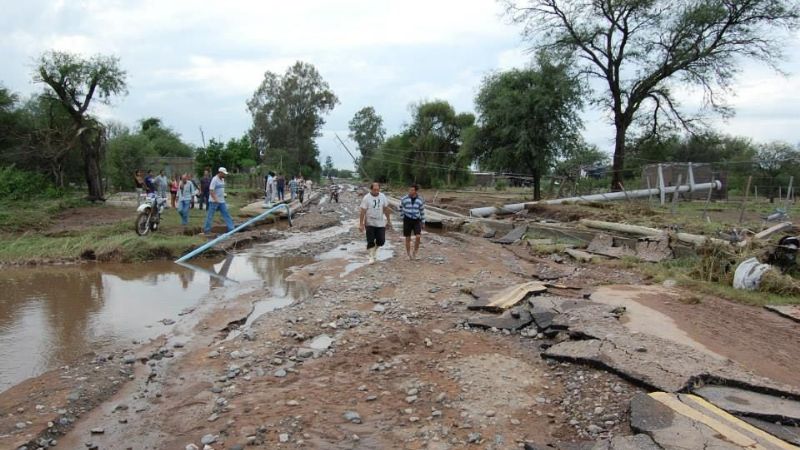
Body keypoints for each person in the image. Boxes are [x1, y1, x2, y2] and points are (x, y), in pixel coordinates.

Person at [359, 182, 393, 264]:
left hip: (380, 222)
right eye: (374, 190)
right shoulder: (366, 198)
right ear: (371, 189)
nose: (376, 191)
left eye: (378, 190)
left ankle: (374, 251)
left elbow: (386, 209)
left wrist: (389, 221)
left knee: (381, 241)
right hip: (369, 222)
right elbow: (362, 211)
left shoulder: (382, 196)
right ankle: (371, 257)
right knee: (370, 240)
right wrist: (361, 224)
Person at [203, 167, 235, 235]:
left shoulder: (222, 179)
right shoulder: (214, 179)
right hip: (213, 201)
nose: (225, 175)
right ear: (220, 173)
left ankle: (231, 229)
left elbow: (221, 189)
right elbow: (211, 191)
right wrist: (215, 199)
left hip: (222, 201)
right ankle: (207, 230)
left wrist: (224, 195)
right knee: (210, 216)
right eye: (224, 174)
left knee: (226, 214)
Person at [399, 183, 426, 260]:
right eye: (409, 190)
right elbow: (400, 207)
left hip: (416, 220)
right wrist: (402, 216)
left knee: (418, 236)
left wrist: (423, 222)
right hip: (407, 219)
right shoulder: (404, 199)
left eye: (412, 190)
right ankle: (408, 254)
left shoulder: (420, 200)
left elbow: (422, 211)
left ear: (415, 191)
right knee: (408, 237)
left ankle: (415, 253)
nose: (410, 191)